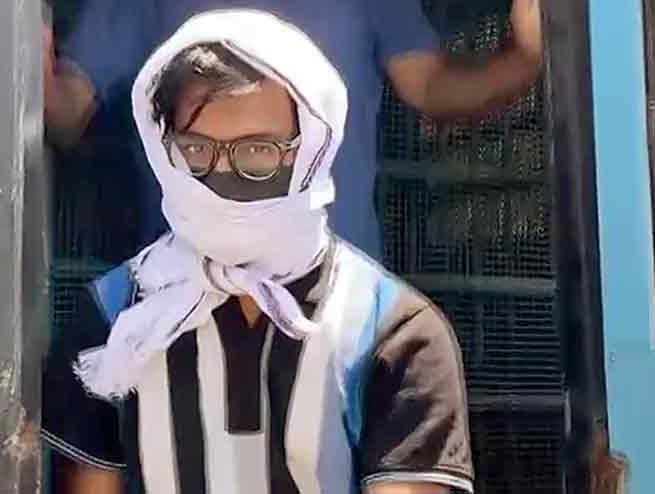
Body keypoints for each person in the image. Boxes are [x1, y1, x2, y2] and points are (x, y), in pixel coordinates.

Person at [42, 11, 473, 494]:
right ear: (164, 148)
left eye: (257, 152)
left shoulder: (393, 332)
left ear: (309, 152)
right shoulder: (111, 322)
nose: (224, 179)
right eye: (197, 150)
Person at [43, 0, 542, 260]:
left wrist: (527, 57)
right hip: (184, 294)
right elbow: (67, 114)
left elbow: (432, 88)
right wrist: (24, 49)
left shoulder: (383, 323)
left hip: (332, 296)